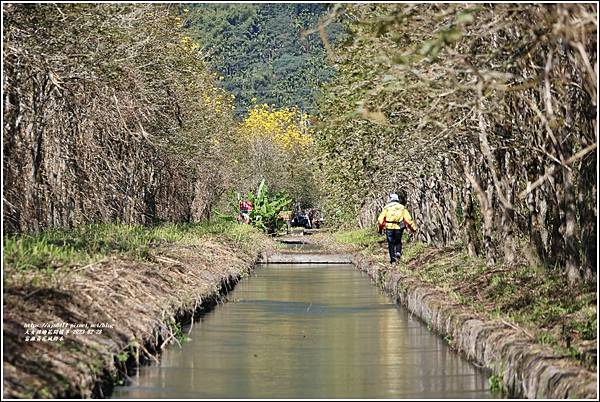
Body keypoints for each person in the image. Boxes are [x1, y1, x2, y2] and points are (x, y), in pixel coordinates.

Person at [377, 193, 416, 266]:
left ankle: (393, 261)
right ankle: (398, 252)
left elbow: (380, 220)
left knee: (391, 243)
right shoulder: (402, 207)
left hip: (389, 227)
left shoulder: (386, 208)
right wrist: (413, 228)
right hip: (399, 227)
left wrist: (380, 229)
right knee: (398, 241)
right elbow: (408, 219)